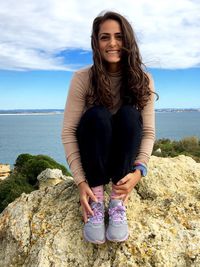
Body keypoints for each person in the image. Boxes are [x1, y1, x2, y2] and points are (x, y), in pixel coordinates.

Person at [61, 11, 157, 244]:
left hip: (121, 163)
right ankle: (96, 197)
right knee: (97, 115)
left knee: (129, 115)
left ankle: (116, 201)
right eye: (105, 37)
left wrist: (138, 173)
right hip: (94, 159)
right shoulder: (82, 78)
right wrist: (81, 182)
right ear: (96, 43)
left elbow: (148, 132)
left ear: (128, 41)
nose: (112, 43)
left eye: (119, 36)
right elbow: (68, 132)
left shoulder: (143, 79)